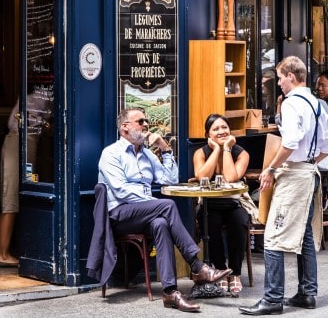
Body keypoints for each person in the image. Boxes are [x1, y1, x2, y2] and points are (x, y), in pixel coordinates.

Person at [97, 107, 231, 313]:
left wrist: (165, 148)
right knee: (166, 205)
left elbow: (169, 179)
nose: (145, 125)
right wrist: (154, 204)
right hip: (120, 214)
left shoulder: (147, 155)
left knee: (160, 223)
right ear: (125, 128)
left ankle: (170, 292)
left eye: (146, 121)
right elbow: (121, 191)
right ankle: (197, 265)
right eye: (140, 121)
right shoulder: (111, 153)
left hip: (144, 212)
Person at [239, 56, 328, 315]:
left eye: (280, 77)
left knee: (273, 236)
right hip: (311, 172)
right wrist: (308, 161)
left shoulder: (292, 104)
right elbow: (326, 146)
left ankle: (272, 299)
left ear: (291, 75)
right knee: (304, 236)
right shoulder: (317, 104)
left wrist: (270, 168)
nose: (278, 82)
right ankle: (307, 293)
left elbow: (289, 142)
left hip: (293, 175)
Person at [192, 114, 250, 297]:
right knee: (209, 221)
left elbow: (231, 177)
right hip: (210, 204)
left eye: (224, 127)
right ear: (207, 134)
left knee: (240, 222)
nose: (221, 131)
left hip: (233, 203)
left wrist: (226, 149)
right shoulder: (201, 153)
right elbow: (202, 177)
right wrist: (216, 150)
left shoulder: (241, 153)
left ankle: (235, 273)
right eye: (215, 129)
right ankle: (219, 270)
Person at [0, 101, 21, 268]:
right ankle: (3, 254)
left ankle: (4, 252)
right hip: (17, 141)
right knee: (10, 198)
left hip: (16, 141)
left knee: (11, 197)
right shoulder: (38, 95)